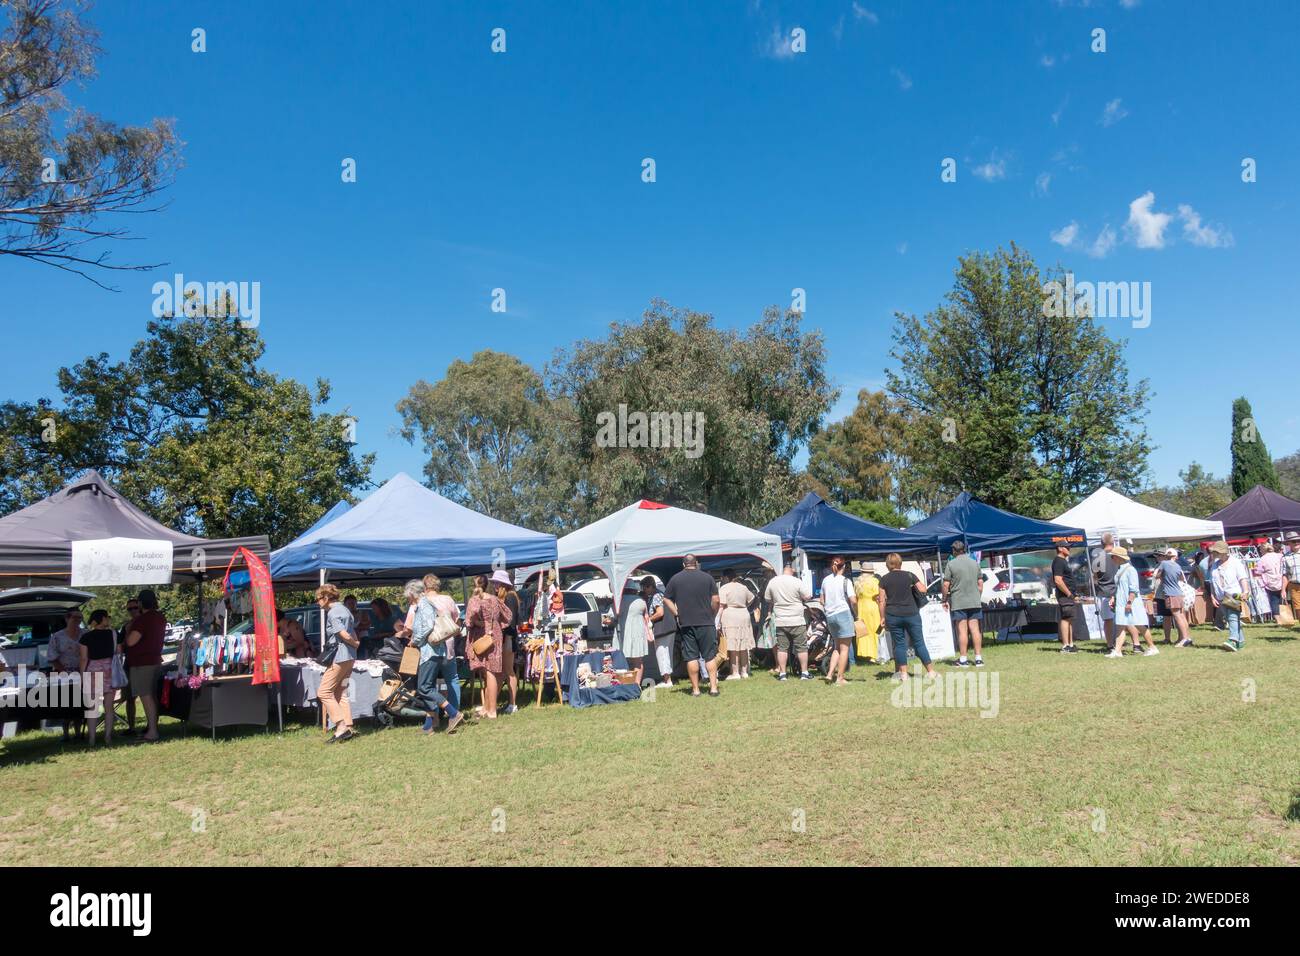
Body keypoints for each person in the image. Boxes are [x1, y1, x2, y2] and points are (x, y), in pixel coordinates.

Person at [410, 574, 465, 735]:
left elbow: (413, 625)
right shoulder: (448, 599)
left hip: (431, 647)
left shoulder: (422, 603)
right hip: (447, 645)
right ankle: (436, 721)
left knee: (426, 687)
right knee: (451, 680)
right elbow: (457, 620)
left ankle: (448, 715)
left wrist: (415, 640)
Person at [663, 554, 720, 697]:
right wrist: (712, 614)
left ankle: (695, 690)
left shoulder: (675, 579)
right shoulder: (707, 578)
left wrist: (676, 613)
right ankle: (713, 688)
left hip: (686, 623)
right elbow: (716, 600)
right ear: (697, 563)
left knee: (691, 657)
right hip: (706, 622)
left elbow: (666, 599)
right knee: (710, 656)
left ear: (683, 564)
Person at [878, 553, 937, 681]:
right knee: (919, 642)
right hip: (911, 613)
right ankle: (931, 671)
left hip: (893, 615)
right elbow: (923, 589)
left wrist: (882, 617)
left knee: (899, 645)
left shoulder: (884, 579)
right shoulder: (910, 575)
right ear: (900, 563)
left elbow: (881, 601)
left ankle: (903, 674)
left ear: (888, 564)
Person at [316, 584, 359, 742]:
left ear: (326, 598)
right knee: (341, 692)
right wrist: (355, 644)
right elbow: (352, 630)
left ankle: (341, 726)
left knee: (324, 692)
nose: (317, 602)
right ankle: (348, 726)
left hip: (339, 656)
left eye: (318, 598)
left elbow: (342, 634)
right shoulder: (345, 609)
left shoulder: (333, 612)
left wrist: (354, 643)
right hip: (349, 657)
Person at [465, 574, 512, 719]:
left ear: (475, 585)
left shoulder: (474, 600)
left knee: (488, 673)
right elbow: (508, 617)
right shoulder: (494, 599)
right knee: (492, 673)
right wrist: (496, 625)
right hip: (494, 636)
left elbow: (468, 621)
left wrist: (479, 624)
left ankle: (491, 710)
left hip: (480, 637)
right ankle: (489, 709)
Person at [123, 590, 166, 743]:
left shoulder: (142, 620)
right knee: (152, 696)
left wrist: (129, 631)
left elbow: (131, 641)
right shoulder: (160, 617)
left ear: (141, 603)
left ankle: (152, 732)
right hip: (155, 660)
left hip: (142, 663)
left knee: (146, 696)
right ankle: (152, 729)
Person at [764, 564, 812, 681]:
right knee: (801, 647)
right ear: (792, 570)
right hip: (797, 619)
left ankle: (783, 674)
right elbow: (808, 596)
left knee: (782, 648)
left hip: (781, 620)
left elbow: (767, 599)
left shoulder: (773, 582)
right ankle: (804, 673)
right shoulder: (797, 581)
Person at [1106, 547, 1156, 657]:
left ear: (1118, 557)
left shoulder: (1130, 570)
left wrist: (1129, 602)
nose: (1111, 558)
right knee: (1120, 626)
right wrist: (1114, 598)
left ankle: (1152, 647)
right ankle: (1118, 651)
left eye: (1113, 556)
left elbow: (1134, 589)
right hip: (1121, 602)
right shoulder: (1120, 569)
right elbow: (1119, 587)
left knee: (1140, 626)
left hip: (1130, 603)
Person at [78, 610, 116, 747]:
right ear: (103, 619)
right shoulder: (113, 634)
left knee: (92, 707)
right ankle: (108, 736)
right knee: (109, 706)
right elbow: (118, 652)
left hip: (92, 670)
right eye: (108, 617)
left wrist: (82, 677)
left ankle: (92, 738)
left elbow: (83, 659)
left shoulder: (85, 637)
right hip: (109, 669)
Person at [942, 541, 984, 666]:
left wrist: (944, 600)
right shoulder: (974, 563)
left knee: (962, 631)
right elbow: (980, 584)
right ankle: (978, 659)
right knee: (975, 630)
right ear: (964, 550)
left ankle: (963, 659)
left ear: (954, 550)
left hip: (959, 601)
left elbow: (945, 585)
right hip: (974, 601)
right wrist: (977, 596)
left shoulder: (951, 564)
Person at [820, 557, 857, 686]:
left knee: (836, 648)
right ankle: (840, 678)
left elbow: (822, 601)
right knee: (845, 648)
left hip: (830, 616)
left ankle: (830, 673)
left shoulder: (825, 580)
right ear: (844, 567)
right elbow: (853, 600)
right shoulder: (846, 581)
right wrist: (856, 613)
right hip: (843, 614)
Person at [1208, 541, 1250, 652]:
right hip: (1220, 596)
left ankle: (1233, 640)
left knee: (1233, 617)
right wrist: (1212, 596)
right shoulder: (1214, 565)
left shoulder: (1236, 563)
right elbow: (1212, 582)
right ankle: (1240, 641)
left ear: (1225, 552)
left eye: (1218, 552)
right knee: (1228, 618)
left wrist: (1245, 591)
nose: (1215, 554)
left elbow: (1243, 578)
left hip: (1233, 594)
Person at [718, 569, 756, 680]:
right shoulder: (743, 587)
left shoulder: (724, 588)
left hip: (730, 615)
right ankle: (744, 671)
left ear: (726, 577)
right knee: (743, 644)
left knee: (732, 644)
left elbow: (722, 605)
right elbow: (752, 599)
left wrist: (717, 620)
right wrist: (744, 605)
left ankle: (735, 673)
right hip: (744, 614)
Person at [492, 570, 522, 714]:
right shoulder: (509, 597)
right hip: (507, 638)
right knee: (505, 671)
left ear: (503, 584)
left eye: (496, 582)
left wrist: (506, 639)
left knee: (509, 671)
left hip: (509, 638)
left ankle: (512, 704)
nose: (494, 585)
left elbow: (510, 622)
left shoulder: (510, 598)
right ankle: (497, 703)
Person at [1155, 547, 1192, 647]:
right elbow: (1180, 578)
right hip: (1179, 592)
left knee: (1177, 616)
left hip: (1170, 593)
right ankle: (1187, 637)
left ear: (1166, 556)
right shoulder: (1178, 566)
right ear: (1175, 557)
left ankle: (1184, 639)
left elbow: (1157, 576)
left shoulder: (1163, 564)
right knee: (1181, 615)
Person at [615, 582, 650, 687]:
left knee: (621, 661)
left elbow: (611, 618)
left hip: (622, 633)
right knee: (638, 662)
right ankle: (637, 685)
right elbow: (647, 617)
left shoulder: (618, 602)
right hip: (638, 633)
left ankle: (625, 684)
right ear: (634, 590)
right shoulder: (641, 602)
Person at [642, 576, 675, 686]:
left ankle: (667, 680)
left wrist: (647, 620)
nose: (644, 591)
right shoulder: (661, 593)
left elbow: (660, 612)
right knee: (667, 653)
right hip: (670, 628)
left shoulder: (656, 596)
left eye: (645, 588)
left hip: (662, 629)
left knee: (662, 654)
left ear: (650, 586)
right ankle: (668, 679)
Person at [1091, 533, 1120, 650]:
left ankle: (1110, 644)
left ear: (1102, 543)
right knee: (1121, 619)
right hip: (1118, 590)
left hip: (1104, 591)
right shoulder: (1119, 554)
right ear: (1113, 542)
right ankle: (1121, 642)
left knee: (1108, 620)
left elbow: (1095, 575)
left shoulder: (1098, 556)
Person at [117, 597, 140, 734]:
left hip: (145, 663)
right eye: (129, 609)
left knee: (148, 695)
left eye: (135, 607)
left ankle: (151, 726)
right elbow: (121, 646)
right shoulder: (126, 626)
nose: (132, 611)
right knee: (129, 697)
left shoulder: (146, 623)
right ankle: (131, 727)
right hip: (129, 664)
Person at [1051, 544, 1078, 654]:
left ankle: (1070, 644)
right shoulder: (1058, 561)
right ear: (1060, 548)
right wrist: (1069, 594)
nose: (1069, 549)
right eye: (1067, 547)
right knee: (1066, 618)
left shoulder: (1063, 561)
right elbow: (1058, 580)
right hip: (1064, 596)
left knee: (1069, 618)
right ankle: (1065, 646)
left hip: (1068, 595)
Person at [853, 567, 882, 663]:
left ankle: (865, 653)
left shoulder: (857, 582)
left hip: (861, 608)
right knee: (875, 631)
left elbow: (855, 598)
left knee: (863, 631)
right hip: (872, 607)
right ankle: (875, 655)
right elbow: (878, 596)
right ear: (872, 572)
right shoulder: (875, 581)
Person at [1252, 540, 1285, 619]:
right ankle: (1286, 617)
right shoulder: (1280, 556)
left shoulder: (1262, 559)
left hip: (1269, 583)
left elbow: (1257, 573)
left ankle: (1278, 619)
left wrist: (1262, 584)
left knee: (1274, 601)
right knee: (1283, 598)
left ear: (1262, 550)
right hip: (1282, 580)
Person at [1284, 532, 1300, 618]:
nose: (1296, 543)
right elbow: (1285, 575)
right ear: (1288, 544)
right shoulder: (1285, 557)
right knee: (1298, 609)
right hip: (1294, 586)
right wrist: (1283, 590)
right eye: (1293, 541)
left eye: (1298, 540)